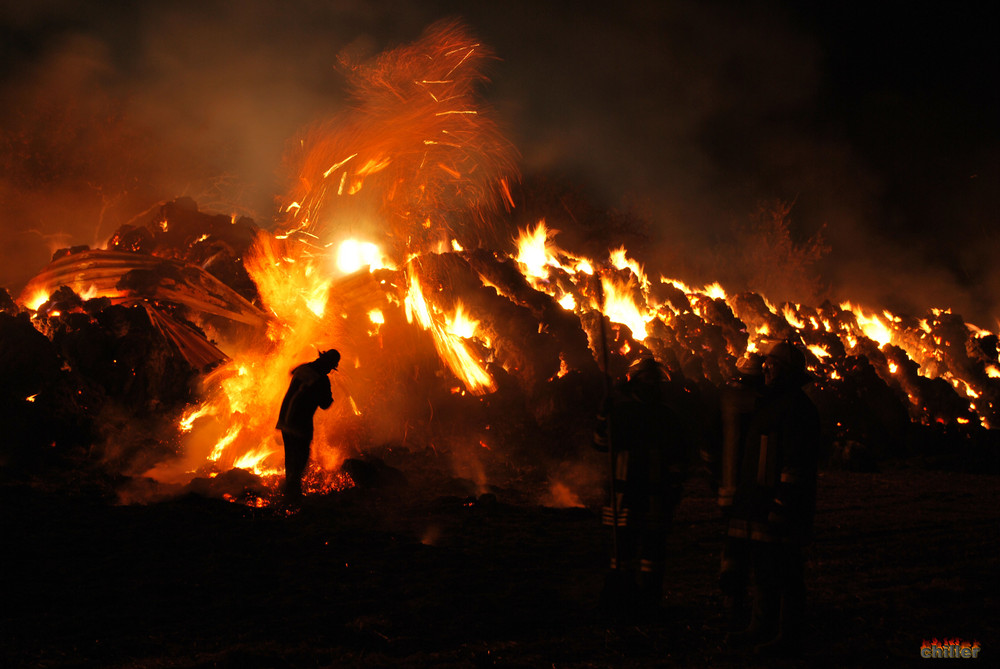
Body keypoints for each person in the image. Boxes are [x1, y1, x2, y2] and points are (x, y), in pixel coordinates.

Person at [726, 340, 820, 656]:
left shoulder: (797, 409)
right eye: (766, 363)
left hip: (782, 506)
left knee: (787, 572)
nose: (766, 368)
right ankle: (760, 626)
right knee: (764, 569)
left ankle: (787, 634)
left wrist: (783, 503)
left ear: (787, 372)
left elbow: (796, 464)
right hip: (760, 502)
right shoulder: (769, 404)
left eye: (773, 364)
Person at [593, 356, 688, 616]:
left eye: (654, 383)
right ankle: (620, 599)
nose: (651, 387)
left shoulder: (667, 416)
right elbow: (601, 443)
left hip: (655, 495)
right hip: (625, 495)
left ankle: (648, 599)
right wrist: (604, 415)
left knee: (652, 553)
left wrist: (674, 490)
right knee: (622, 551)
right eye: (647, 382)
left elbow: (679, 457)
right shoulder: (622, 413)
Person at [717, 353, 765, 633]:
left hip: (731, 488)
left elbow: (712, 442)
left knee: (733, 548)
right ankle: (754, 607)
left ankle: (732, 601)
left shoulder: (728, 400)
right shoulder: (767, 404)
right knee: (757, 549)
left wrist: (717, 480)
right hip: (757, 489)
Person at [275, 348, 340, 501]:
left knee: (290, 454)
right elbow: (325, 404)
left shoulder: (303, 368)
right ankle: (293, 493)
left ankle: (289, 489)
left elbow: (292, 371)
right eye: (331, 367)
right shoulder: (322, 379)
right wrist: (329, 396)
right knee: (301, 456)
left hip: (285, 419)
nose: (330, 370)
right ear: (329, 364)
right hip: (300, 423)